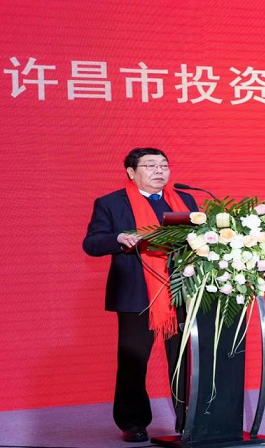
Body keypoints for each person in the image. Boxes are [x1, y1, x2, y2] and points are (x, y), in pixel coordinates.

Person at [83, 148, 198, 443]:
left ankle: (190, 419)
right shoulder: (111, 203)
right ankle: (133, 422)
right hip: (136, 293)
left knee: (185, 360)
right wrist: (118, 239)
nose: (159, 170)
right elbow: (92, 243)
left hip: (180, 291)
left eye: (164, 165)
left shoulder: (184, 200)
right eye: (150, 165)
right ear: (131, 172)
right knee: (133, 361)